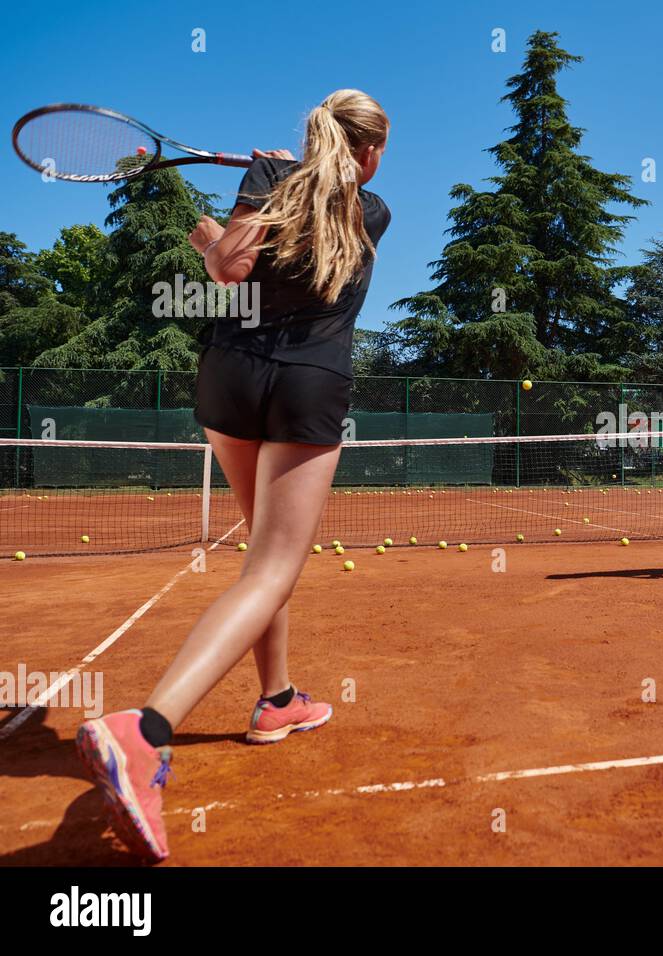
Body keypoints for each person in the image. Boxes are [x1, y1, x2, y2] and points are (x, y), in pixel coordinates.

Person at [75, 89, 392, 863]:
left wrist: (253, 195)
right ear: (371, 150)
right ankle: (145, 732)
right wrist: (269, 192)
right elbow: (247, 267)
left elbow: (225, 268)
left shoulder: (275, 187)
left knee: (262, 564)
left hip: (228, 375)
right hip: (306, 383)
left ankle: (278, 700)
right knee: (274, 568)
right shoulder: (372, 209)